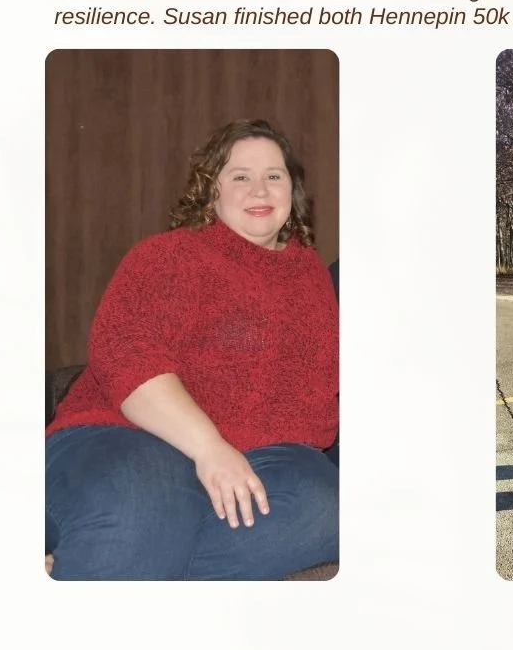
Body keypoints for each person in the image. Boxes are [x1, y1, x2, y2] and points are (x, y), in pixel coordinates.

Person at [45, 118, 339, 580]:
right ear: (210, 190)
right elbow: (127, 355)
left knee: (323, 503)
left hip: (253, 458)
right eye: (240, 176)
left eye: (273, 175)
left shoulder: (311, 277)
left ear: (292, 189)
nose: (259, 189)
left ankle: (94, 560)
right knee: (151, 497)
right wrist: (209, 449)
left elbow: (318, 403)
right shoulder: (169, 255)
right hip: (126, 434)